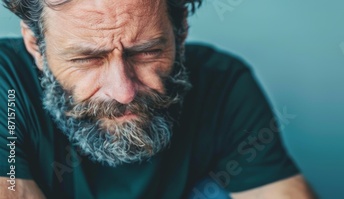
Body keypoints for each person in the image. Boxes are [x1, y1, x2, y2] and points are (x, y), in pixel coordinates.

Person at [0, 0, 315, 198]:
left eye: (147, 52)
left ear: (180, 35)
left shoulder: (223, 84)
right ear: (35, 45)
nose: (123, 91)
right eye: (87, 59)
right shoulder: (6, 86)